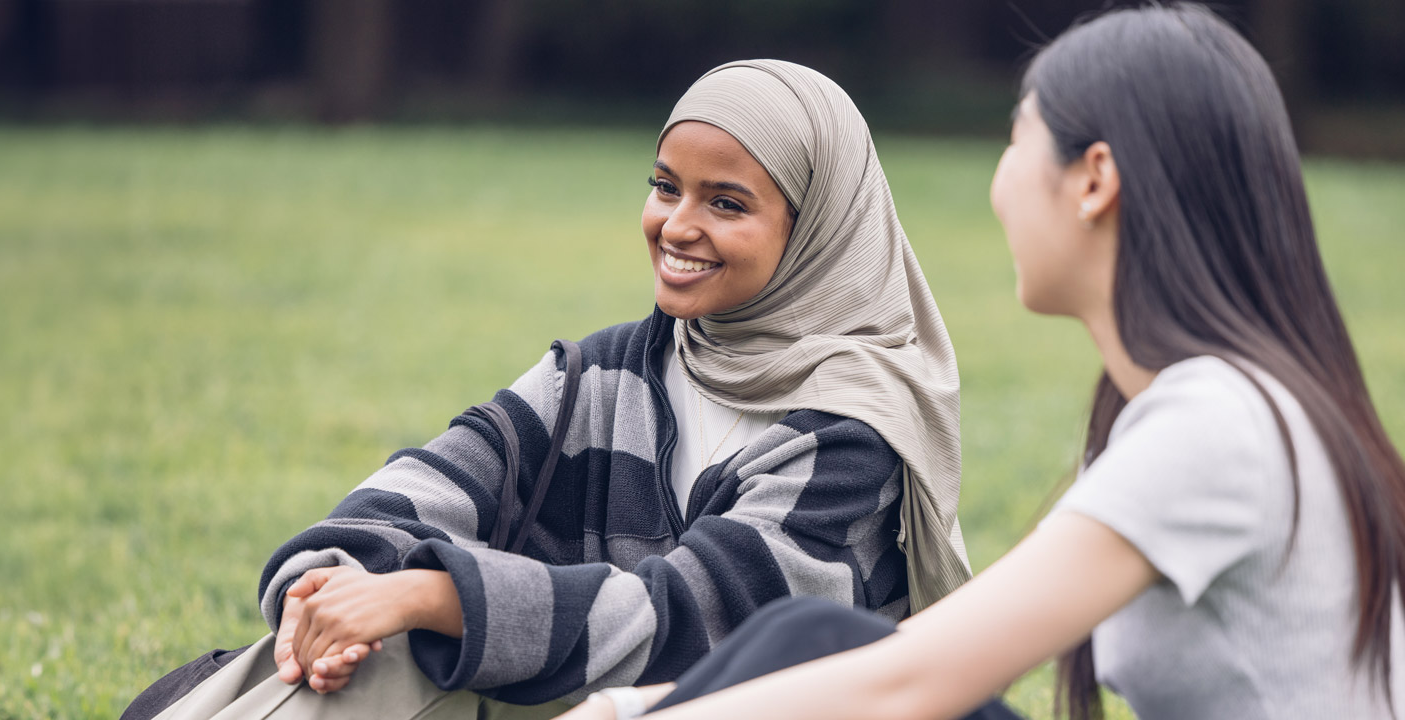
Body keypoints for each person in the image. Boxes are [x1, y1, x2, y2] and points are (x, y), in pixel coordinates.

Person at [560, 5, 1405, 720]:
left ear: (1094, 180)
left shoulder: (1217, 426)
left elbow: (917, 679)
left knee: (815, 645)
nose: (999, 182)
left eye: (1017, 140)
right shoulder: (1209, 406)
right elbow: (938, 650)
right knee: (808, 641)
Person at [136, 59, 974, 718]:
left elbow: (697, 627)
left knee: (422, 632)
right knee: (372, 659)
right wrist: (326, 585)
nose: (677, 224)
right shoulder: (601, 372)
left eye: (726, 202)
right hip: (591, 698)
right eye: (664, 185)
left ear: (816, 231)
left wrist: (432, 595)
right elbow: (429, 483)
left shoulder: (854, 426)